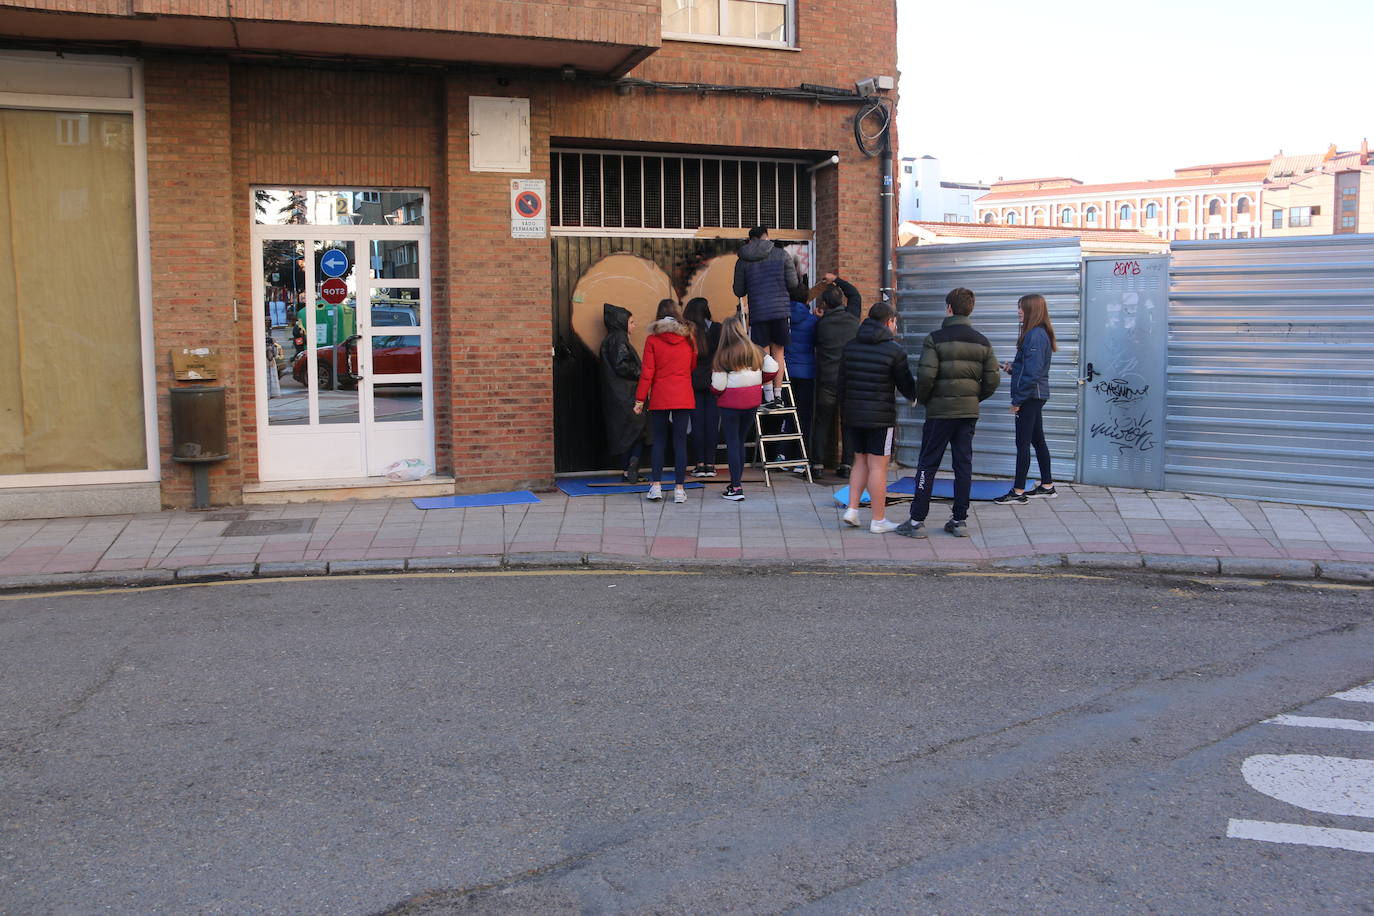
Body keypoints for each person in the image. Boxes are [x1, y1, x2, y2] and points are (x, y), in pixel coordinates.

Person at [895, 287, 1001, 539]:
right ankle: (959, 520)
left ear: (949, 308)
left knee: (928, 464)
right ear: (970, 309)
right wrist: (974, 399)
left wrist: (925, 399)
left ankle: (917, 520)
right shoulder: (982, 342)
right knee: (963, 465)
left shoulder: (935, 338)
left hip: (939, 413)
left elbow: (926, 375)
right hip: (967, 413)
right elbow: (993, 380)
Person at [836, 301, 916, 533]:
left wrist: (846, 409)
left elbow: (841, 383)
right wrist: (916, 397)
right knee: (878, 466)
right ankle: (878, 520)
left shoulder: (850, 347)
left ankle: (852, 509)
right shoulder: (894, 350)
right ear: (889, 322)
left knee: (859, 460)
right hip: (880, 418)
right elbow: (906, 384)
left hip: (853, 415)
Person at [993, 293, 1059, 505]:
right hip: (1034, 395)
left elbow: (1032, 374)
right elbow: (1027, 370)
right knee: (1037, 440)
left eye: (1021, 307)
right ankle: (1047, 486)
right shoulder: (1036, 334)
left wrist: (1018, 401)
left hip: (1030, 397)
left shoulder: (1035, 336)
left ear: (1032, 310)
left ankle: (1018, 491)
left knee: (1022, 443)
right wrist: (1009, 368)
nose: (1018, 311)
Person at [710, 315, 778, 501]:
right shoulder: (755, 349)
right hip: (752, 402)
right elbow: (773, 368)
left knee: (733, 443)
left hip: (731, 404)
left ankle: (736, 487)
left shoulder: (723, 354)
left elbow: (718, 386)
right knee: (740, 441)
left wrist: (714, 392)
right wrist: (758, 382)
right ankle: (735, 483)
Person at [634, 303, 697, 503]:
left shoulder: (653, 340)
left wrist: (640, 399)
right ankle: (679, 489)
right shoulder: (688, 338)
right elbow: (692, 365)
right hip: (684, 394)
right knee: (680, 443)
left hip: (661, 395)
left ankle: (656, 486)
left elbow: (647, 373)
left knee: (659, 441)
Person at [733, 226, 800, 409]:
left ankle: (767, 396)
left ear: (750, 239)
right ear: (766, 236)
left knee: (763, 354)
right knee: (778, 352)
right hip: (780, 311)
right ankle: (778, 396)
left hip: (759, 312)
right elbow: (793, 283)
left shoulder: (743, 259)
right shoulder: (782, 255)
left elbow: (738, 290)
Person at [812, 281, 861, 481]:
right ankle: (846, 465)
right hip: (850, 379)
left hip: (827, 380)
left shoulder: (821, 325)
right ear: (841, 301)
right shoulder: (852, 319)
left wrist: (819, 319)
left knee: (822, 422)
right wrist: (836, 279)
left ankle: (817, 465)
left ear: (824, 304)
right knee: (847, 424)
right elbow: (855, 294)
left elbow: (815, 345)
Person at [599, 304, 650, 483]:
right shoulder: (619, 339)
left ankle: (627, 469)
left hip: (618, 394)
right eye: (631, 322)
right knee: (637, 431)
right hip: (627, 394)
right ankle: (632, 466)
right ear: (621, 322)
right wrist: (643, 372)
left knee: (626, 433)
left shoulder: (610, 339)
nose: (634, 326)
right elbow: (622, 365)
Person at [683, 296, 723, 477]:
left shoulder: (687, 331)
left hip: (693, 381)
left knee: (697, 423)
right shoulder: (718, 328)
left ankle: (699, 464)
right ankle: (710, 464)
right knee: (712, 423)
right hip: (714, 381)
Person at [783, 295, 818, 474]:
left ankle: (783, 455)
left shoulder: (784, 319)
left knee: (789, 414)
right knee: (804, 416)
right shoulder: (813, 321)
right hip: (807, 373)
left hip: (788, 371)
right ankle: (800, 458)